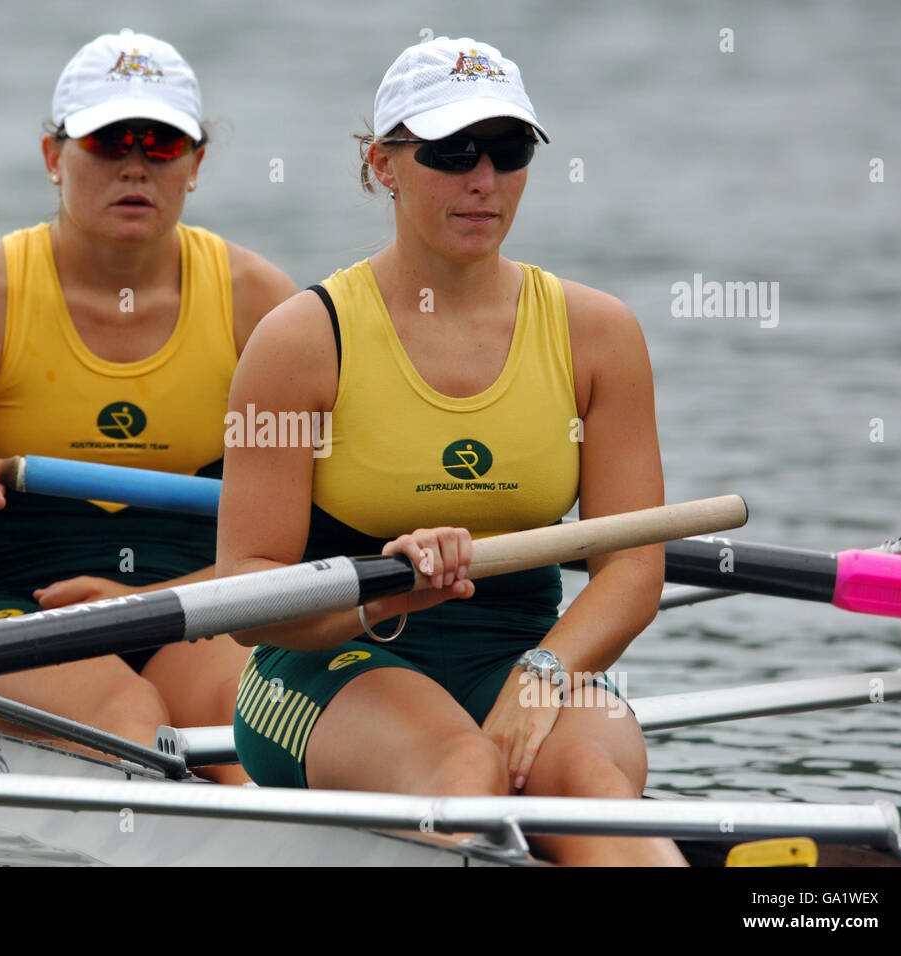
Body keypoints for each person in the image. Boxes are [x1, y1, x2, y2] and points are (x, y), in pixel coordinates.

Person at [217, 37, 682, 862]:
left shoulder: (598, 335)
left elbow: (635, 568)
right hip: (330, 662)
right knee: (465, 768)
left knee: (592, 784)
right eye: (451, 151)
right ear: (382, 164)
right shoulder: (301, 341)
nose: (483, 181)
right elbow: (246, 592)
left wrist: (542, 676)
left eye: (507, 152)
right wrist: (388, 590)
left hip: (527, 654)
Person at [0, 30, 296, 784]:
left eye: (161, 143)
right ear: (54, 157)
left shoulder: (263, 310)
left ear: (196, 165)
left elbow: (310, 543)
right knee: (129, 722)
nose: (134, 163)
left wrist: (141, 602)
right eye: (107, 140)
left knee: (243, 732)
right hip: (12, 620)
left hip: (196, 610)